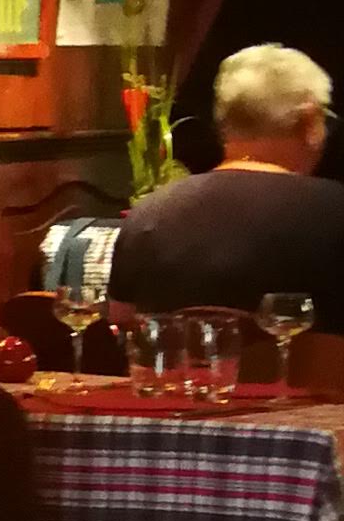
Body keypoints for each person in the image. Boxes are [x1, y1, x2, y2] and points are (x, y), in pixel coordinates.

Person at [106, 43, 344, 332]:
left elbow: (120, 326)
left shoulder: (149, 213)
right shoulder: (336, 211)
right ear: (309, 122)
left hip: (177, 364)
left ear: (223, 124)